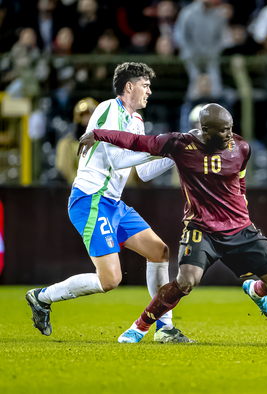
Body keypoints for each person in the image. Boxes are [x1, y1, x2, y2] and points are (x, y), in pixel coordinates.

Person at [78, 103, 267, 343]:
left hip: (240, 229)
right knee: (186, 280)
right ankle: (140, 326)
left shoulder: (241, 147)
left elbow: (240, 179)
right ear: (204, 129)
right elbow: (135, 142)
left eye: (230, 128)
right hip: (202, 230)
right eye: (223, 130)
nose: (229, 134)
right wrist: (97, 134)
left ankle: (256, 290)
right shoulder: (179, 144)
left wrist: (242, 199)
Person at [26, 62, 187, 343]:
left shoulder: (136, 122)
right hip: (90, 200)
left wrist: (171, 156)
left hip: (113, 202)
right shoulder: (108, 109)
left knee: (159, 252)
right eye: (145, 85)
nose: (149, 91)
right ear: (129, 87)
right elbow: (118, 159)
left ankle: (164, 329)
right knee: (110, 280)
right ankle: (41, 297)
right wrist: (161, 145)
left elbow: (144, 173)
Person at [56, 97, 98, 184]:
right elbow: (66, 170)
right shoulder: (67, 144)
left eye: (91, 114)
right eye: (85, 115)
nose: (88, 118)